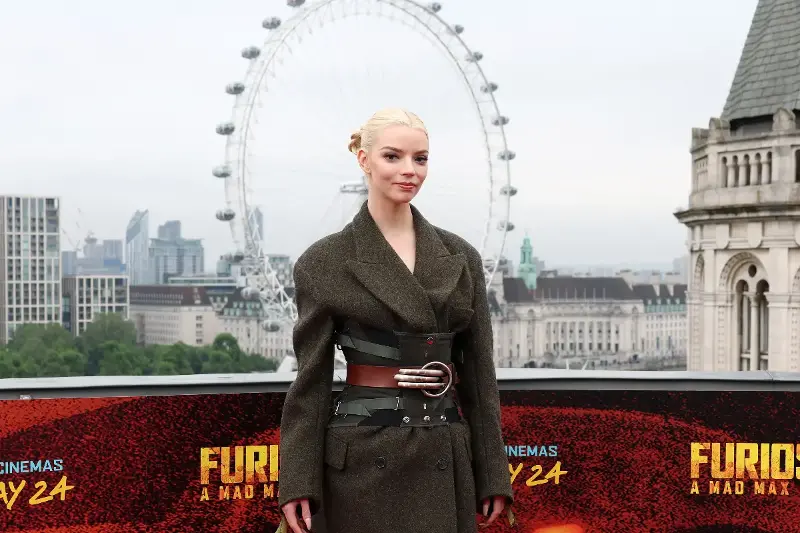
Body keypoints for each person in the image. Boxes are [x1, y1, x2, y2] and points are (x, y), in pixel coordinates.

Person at [277, 108, 514, 533]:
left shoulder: (462, 257)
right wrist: (298, 483)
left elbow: (480, 376)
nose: (410, 170)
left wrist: (493, 472)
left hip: (443, 453)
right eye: (393, 156)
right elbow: (311, 383)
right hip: (362, 461)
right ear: (363, 160)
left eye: (420, 158)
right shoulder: (324, 262)